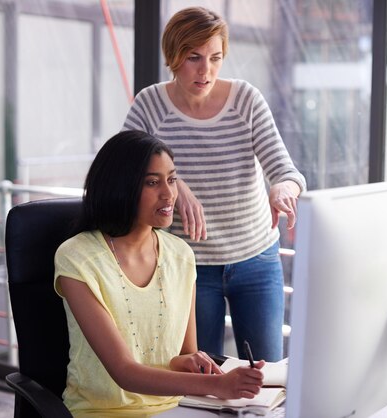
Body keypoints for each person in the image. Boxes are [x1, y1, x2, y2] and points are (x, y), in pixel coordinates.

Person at [122, 6, 307, 362]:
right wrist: (175, 185)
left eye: (215, 57)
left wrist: (283, 188)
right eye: (193, 57)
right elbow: (123, 165)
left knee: (266, 374)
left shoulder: (246, 100)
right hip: (189, 267)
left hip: (257, 261)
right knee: (200, 377)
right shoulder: (150, 104)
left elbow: (286, 170)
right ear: (173, 56)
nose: (205, 70)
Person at [54, 130, 264, 417]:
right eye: (153, 183)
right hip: (104, 411)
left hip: (177, 408)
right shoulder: (78, 257)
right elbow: (124, 373)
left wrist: (193, 362)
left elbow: (184, 353)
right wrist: (219, 385)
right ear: (121, 187)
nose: (169, 194)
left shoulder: (181, 255)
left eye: (172, 179)